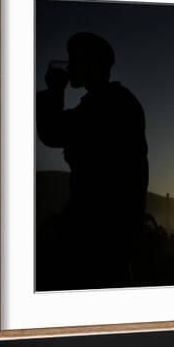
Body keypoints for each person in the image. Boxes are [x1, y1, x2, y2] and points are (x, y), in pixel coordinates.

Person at [36, 32, 149, 289]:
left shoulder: (109, 104)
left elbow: (53, 132)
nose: (70, 67)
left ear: (92, 65)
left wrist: (54, 92)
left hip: (98, 230)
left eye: (74, 61)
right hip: (107, 229)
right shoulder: (108, 101)